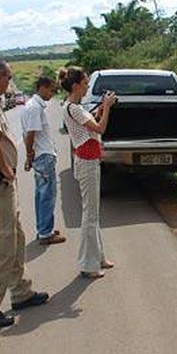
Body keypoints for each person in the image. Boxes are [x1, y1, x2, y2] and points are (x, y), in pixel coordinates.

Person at [0, 58, 48, 327]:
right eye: (9, 77)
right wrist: (4, 166)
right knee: (3, 245)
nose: (10, 83)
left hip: (0, 181)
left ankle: (21, 292)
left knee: (15, 238)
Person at [58, 66, 116, 279]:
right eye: (84, 83)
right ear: (75, 86)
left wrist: (100, 108)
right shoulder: (74, 108)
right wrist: (107, 107)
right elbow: (100, 128)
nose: (87, 87)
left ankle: (98, 257)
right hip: (87, 162)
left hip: (87, 160)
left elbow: (89, 124)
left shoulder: (72, 107)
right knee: (90, 215)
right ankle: (88, 265)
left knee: (93, 213)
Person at [21, 76, 66, 245]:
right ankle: (46, 233)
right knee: (47, 195)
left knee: (41, 195)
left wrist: (30, 156)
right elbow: (30, 134)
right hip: (43, 156)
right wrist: (29, 155)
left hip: (40, 156)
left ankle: (44, 228)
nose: (53, 94)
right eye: (52, 90)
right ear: (43, 88)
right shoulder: (34, 108)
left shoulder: (32, 106)